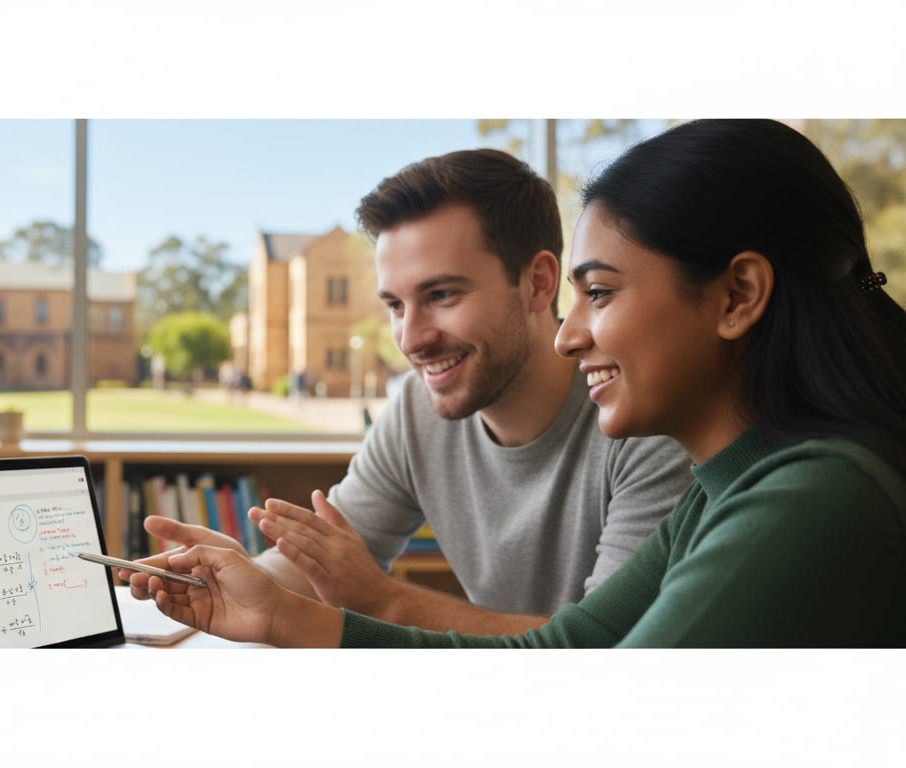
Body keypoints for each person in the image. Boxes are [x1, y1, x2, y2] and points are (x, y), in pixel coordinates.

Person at [140, 119, 906, 647]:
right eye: (394, 305)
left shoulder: (804, 495)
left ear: (737, 296)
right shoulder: (727, 482)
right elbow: (574, 647)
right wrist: (267, 605)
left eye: (599, 293)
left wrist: (372, 600)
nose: (572, 335)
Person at [120, 148, 694, 636]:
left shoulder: (647, 417)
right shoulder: (421, 410)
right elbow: (324, 556)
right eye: (395, 305)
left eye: (442, 294)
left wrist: (384, 601)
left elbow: (609, 648)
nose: (411, 339)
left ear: (540, 282)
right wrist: (233, 576)